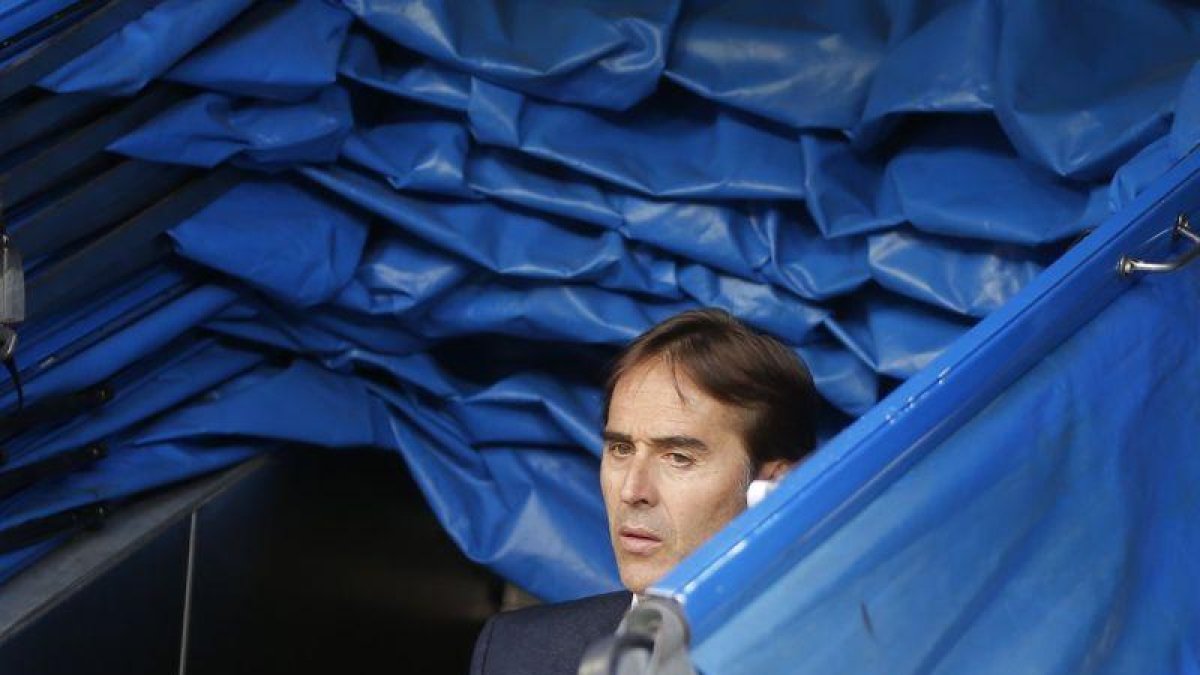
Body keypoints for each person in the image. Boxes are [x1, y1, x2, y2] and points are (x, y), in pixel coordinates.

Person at [470, 308, 819, 675]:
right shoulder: (514, 653)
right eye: (621, 449)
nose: (632, 491)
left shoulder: (851, 657)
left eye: (678, 458)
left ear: (777, 487)